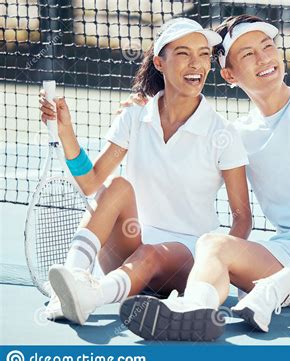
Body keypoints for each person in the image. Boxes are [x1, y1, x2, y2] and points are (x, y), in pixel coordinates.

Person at [119, 2, 290, 340]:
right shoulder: (233, 135)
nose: (264, 58)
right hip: (285, 256)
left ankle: (272, 291)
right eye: (249, 53)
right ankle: (194, 311)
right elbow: (176, 158)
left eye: (268, 47)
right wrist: (148, 114)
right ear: (229, 74)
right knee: (213, 243)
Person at [39, 18, 251, 338]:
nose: (197, 64)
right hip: (128, 248)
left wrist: (218, 266)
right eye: (183, 53)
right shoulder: (135, 115)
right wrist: (66, 132)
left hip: (188, 261)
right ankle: (70, 281)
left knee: (152, 254)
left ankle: (90, 296)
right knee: (117, 186)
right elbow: (91, 183)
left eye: (204, 54)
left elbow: (243, 218)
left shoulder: (223, 134)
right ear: (159, 62)